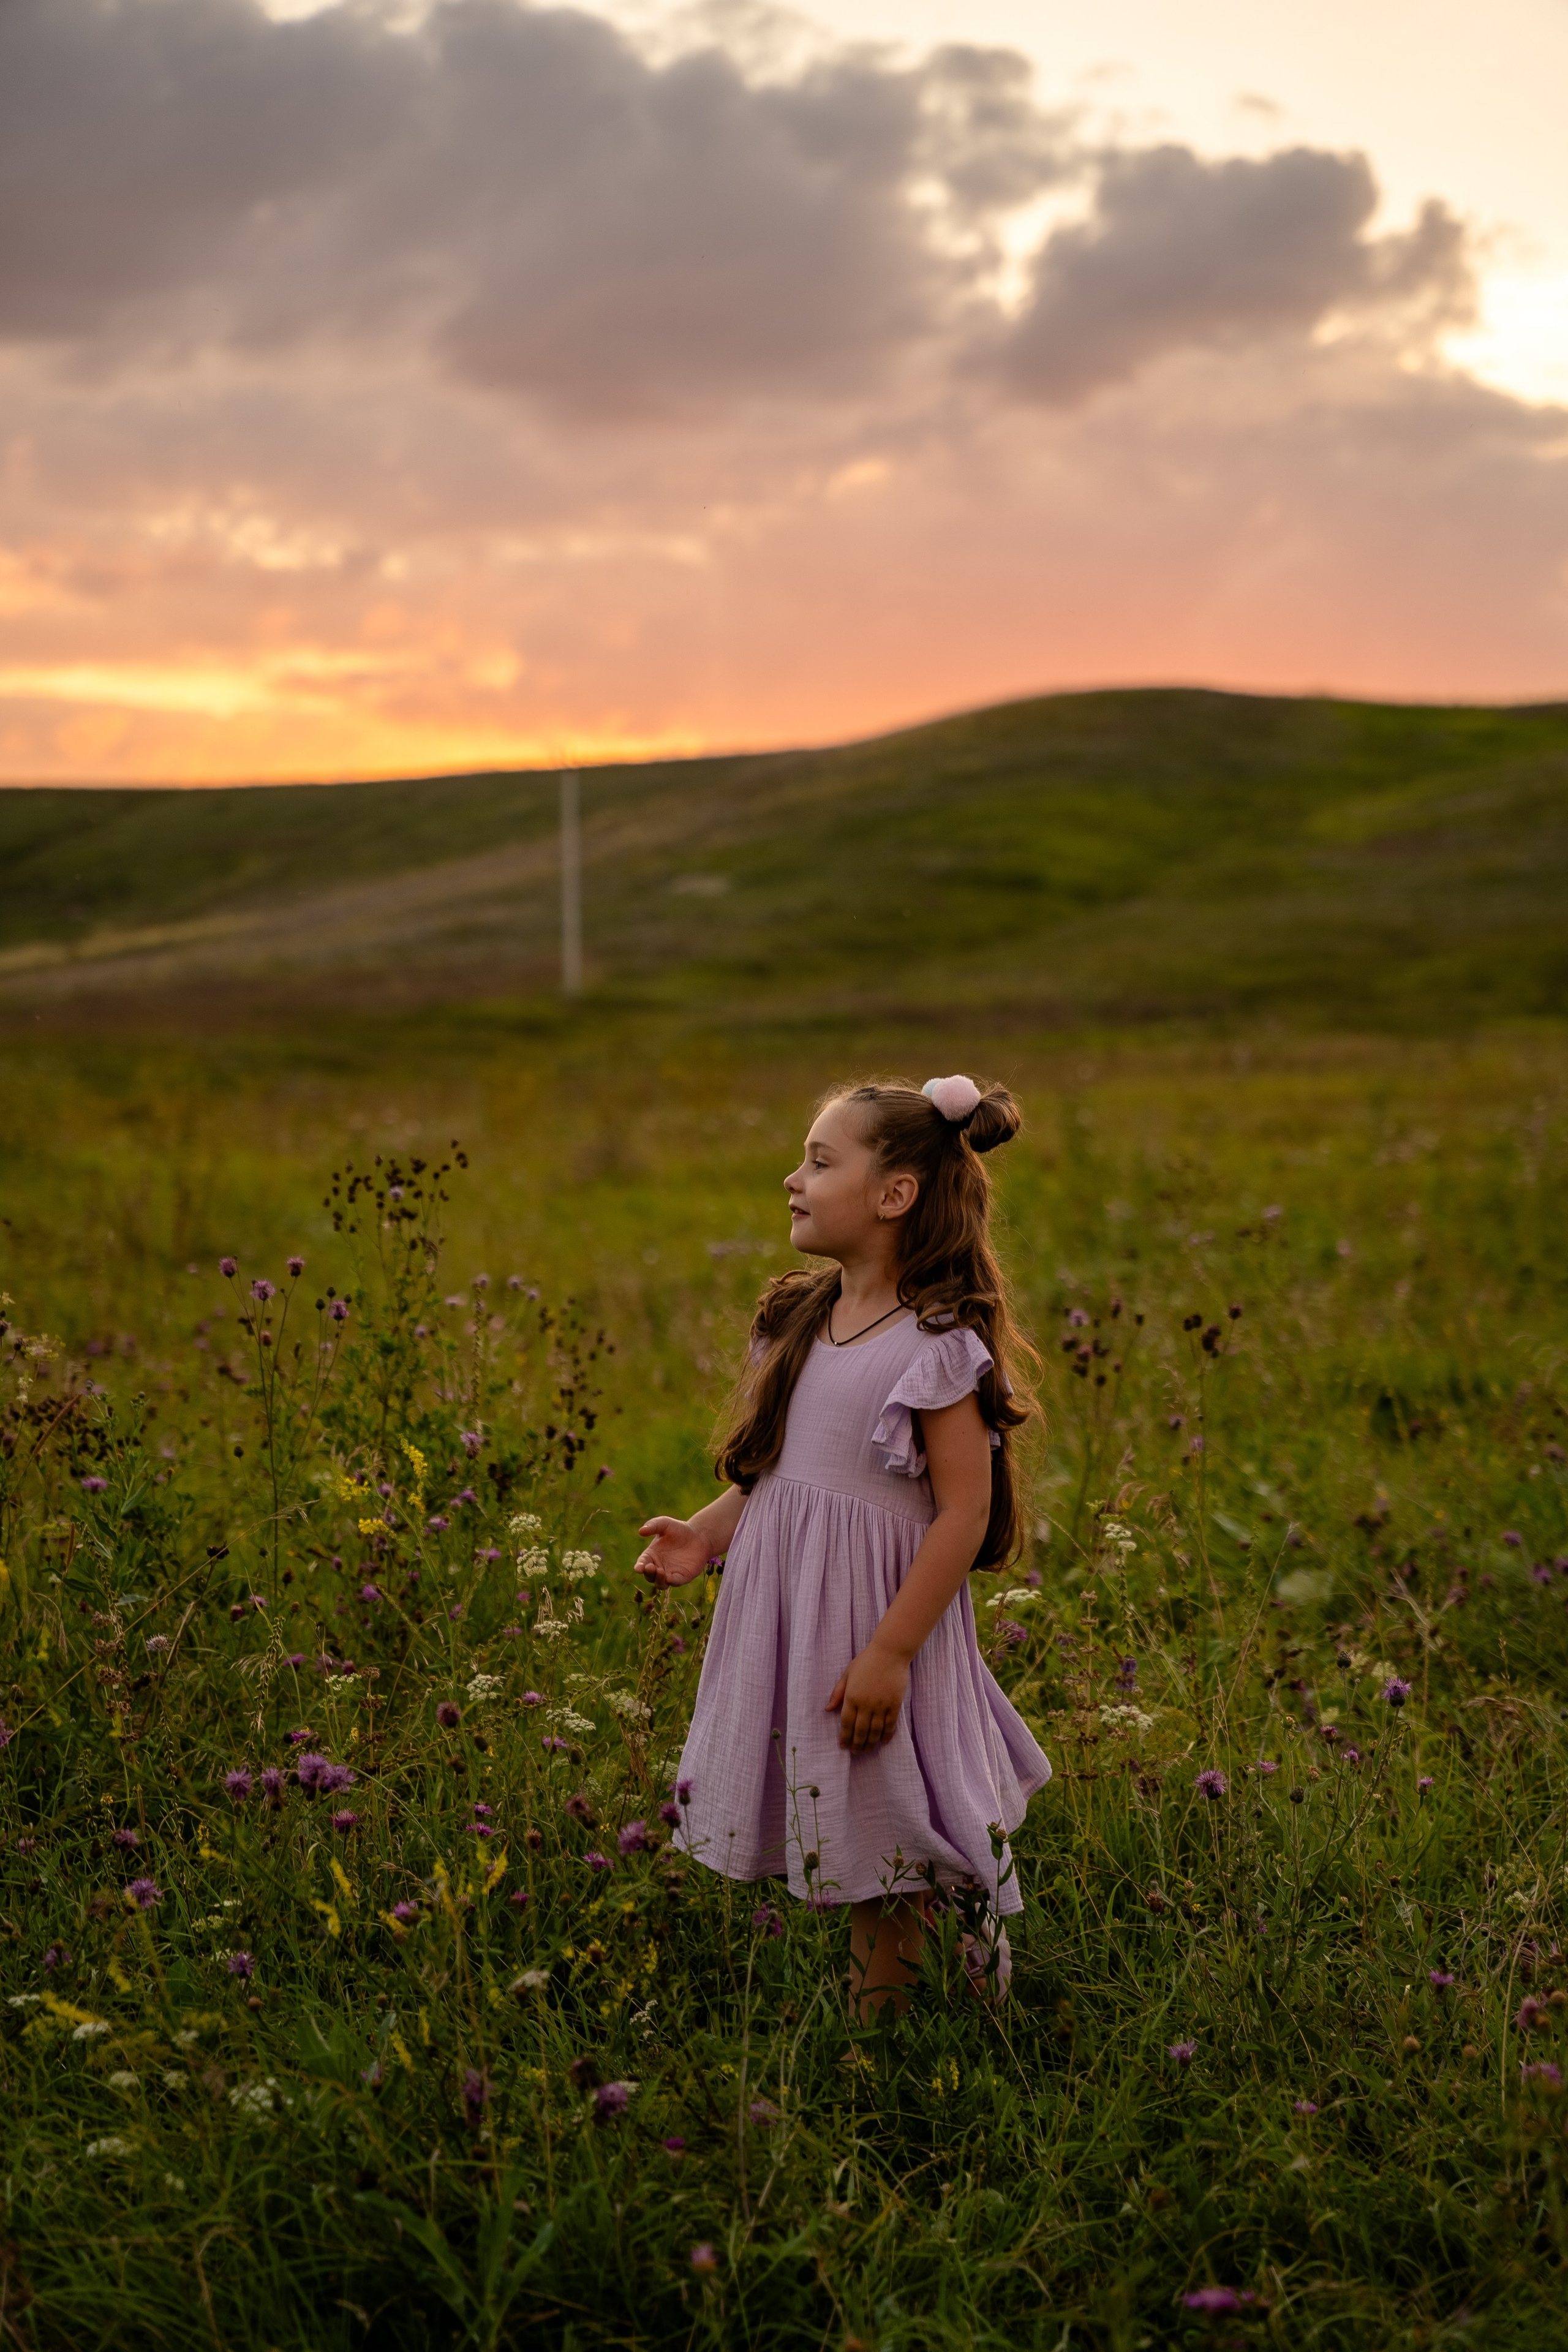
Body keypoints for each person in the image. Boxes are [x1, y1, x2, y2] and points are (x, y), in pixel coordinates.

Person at [633, 1074, 1050, 2015]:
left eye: (821, 1163)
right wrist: (707, 1535)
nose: (793, 1178)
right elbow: (785, 1478)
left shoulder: (936, 1346)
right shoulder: (804, 1322)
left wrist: (892, 1653)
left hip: (878, 1630)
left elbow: (962, 1514)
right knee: (848, 1828)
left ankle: (899, 2043)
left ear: (894, 1195)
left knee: (891, 1840)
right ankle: (916, 2015)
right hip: (806, 1627)